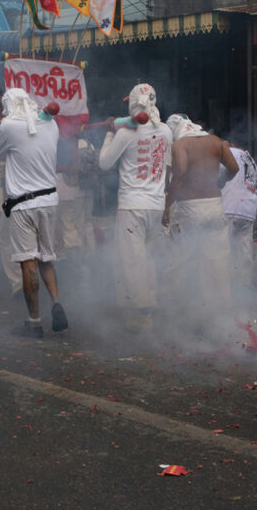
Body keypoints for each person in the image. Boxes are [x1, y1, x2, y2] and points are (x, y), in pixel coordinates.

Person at [0, 88, 68, 337]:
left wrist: (3, 123)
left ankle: (34, 322)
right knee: (46, 258)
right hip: (49, 200)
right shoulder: (51, 125)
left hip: (24, 204)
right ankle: (56, 302)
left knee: (28, 262)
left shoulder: (9, 125)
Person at [98, 84, 173, 331]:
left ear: (132, 104)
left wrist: (110, 132)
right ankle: (150, 305)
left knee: (132, 261)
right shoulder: (166, 131)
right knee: (150, 258)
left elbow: (105, 164)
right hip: (156, 204)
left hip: (132, 205)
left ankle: (143, 314)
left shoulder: (126, 133)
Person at [163, 114, 238, 312]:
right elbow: (234, 168)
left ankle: (182, 307)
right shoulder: (216, 141)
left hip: (190, 209)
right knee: (217, 261)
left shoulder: (180, 145)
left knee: (183, 260)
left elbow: (179, 175)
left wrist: (167, 206)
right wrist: (221, 180)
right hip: (215, 206)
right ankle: (219, 309)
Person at [220, 141, 257, 286]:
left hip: (230, 207)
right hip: (248, 211)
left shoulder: (229, 153)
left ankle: (225, 288)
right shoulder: (251, 160)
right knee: (244, 253)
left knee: (224, 250)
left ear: (229, 143)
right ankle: (244, 289)